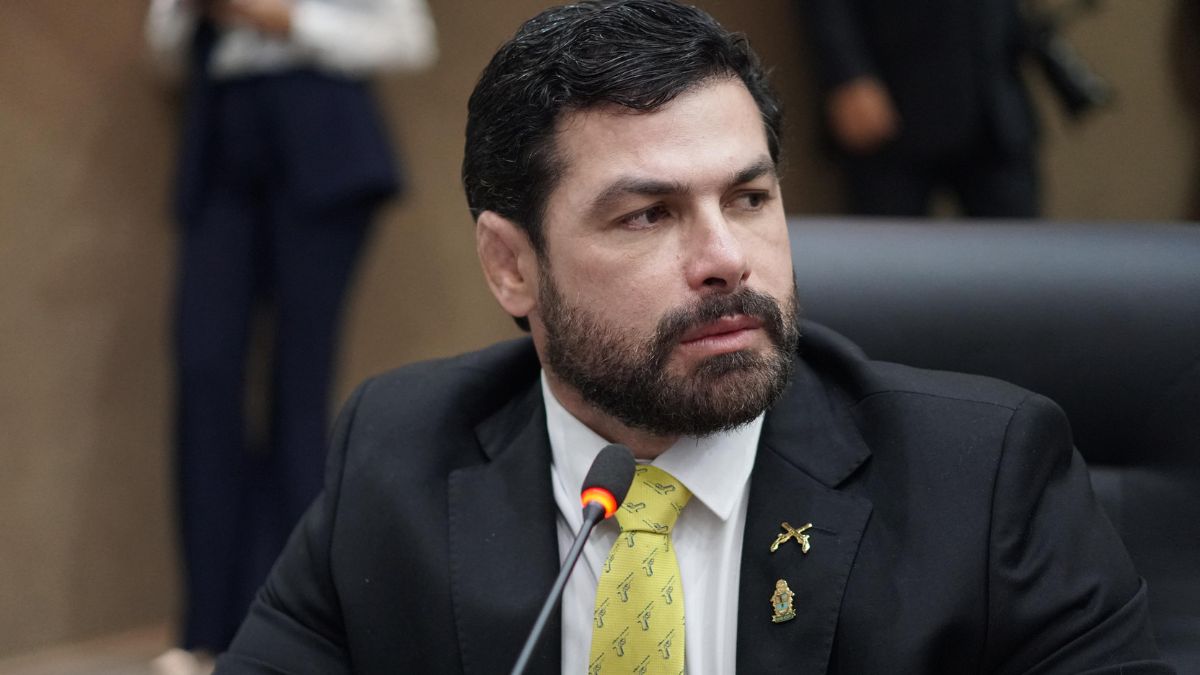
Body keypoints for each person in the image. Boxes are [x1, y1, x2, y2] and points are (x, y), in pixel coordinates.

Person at [216, 1, 1169, 673]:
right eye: (648, 215)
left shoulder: (983, 478)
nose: (726, 259)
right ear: (511, 266)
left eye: (749, 198)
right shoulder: (399, 455)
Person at [144, 0, 436, 671]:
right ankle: (204, 629)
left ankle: (292, 630)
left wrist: (284, 20)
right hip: (222, 135)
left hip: (323, 133)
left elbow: (408, 40)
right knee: (204, 373)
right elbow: (163, 54)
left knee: (298, 390)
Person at [800, 0, 1040, 217]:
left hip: (994, 105)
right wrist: (847, 73)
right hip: (894, 99)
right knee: (888, 240)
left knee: (1017, 238)